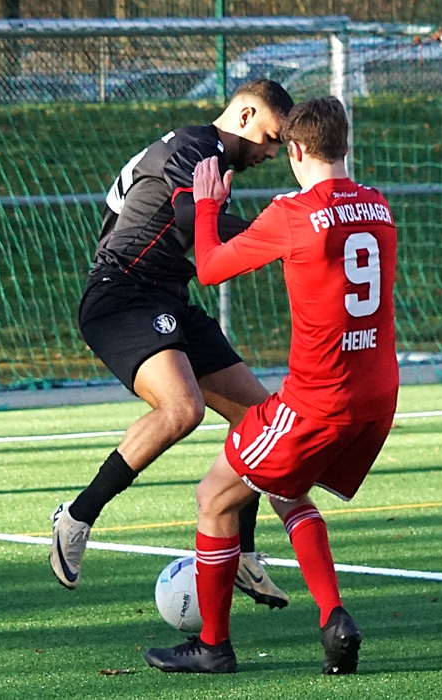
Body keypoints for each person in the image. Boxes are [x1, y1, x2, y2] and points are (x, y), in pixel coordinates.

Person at [143, 95, 398, 675]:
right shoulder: (379, 207)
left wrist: (207, 208)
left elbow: (210, 268)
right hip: (377, 398)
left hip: (316, 402)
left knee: (214, 497)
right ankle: (333, 617)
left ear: (297, 150)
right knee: (289, 490)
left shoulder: (291, 213)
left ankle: (213, 646)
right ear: (346, 144)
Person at [49, 79, 294, 608]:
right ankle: (77, 517)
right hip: (122, 295)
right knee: (183, 409)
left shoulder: (209, 155)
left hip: (166, 297)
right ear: (245, 115)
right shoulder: (195, 145)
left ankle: (243, 552)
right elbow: (192, 220)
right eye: (271, 137)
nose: (272, 152)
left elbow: (202, 232)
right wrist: (282, 235)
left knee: (261, 420)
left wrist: (272, 235)